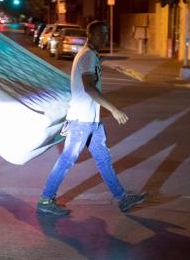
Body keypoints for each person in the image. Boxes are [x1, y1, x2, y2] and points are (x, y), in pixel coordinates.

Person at [37, 20, 147, 216]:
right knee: (67, 159)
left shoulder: (92, 55)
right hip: (82, 120)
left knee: (103, 158)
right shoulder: (87, 55)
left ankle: (122, 198)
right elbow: (89, 87)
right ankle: (46, 199)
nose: (106, 37)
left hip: (92, 120)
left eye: (106, 33)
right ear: (92, 35)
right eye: (102, 34)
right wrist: (113, 109)